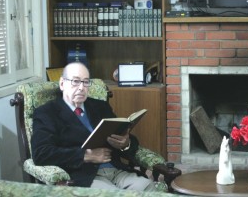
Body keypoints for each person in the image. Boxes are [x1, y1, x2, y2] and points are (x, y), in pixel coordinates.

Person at [31, 62, 161, 191]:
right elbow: (41, 154)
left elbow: (126, 137)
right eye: (75, 81)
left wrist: (125, 144)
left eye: (86, 82)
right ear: (62, 83)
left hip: (116, 170)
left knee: (146, 186)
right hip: (84, 176)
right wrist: (86, 155)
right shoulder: (47, 113)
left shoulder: (100, 106)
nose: (81, 87)